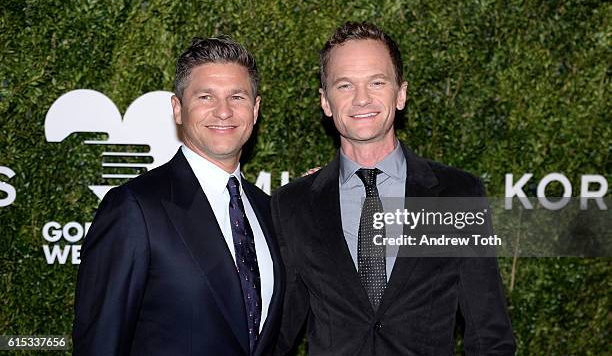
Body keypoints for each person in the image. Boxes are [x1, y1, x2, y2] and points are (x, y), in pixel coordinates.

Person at [271, 22, 515, 355]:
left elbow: (489, 334)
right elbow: (278, 333)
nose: (361, 99)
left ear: (400, 94)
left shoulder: (457, 194)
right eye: (344, 85)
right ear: (325, 102)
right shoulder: (294, 203)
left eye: (376, 82)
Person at [73, 36, 284, 356]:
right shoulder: (135, 209)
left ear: (255, 110)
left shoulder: (268, 211)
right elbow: (100, 345)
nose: (223, 111)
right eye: (205, 96)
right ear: (178, 109)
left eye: (237, 97)